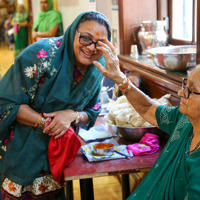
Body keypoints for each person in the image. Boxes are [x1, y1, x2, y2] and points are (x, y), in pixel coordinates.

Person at [0, 11, 111, 199]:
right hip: (23, 152)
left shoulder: (97, 67)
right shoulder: (42, 54)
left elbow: (92, 111)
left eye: (100, 43)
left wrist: (72, 116)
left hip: (59, 158)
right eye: (86, 38)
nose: (92, 48)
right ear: (73, 32)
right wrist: (48, 123)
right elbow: (6, 101)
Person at [93, 39, 200, 199]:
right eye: (185, 85)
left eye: (191, 91)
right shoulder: (183, 119)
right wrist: (121, 79)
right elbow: (148, 108)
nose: (180, 93)